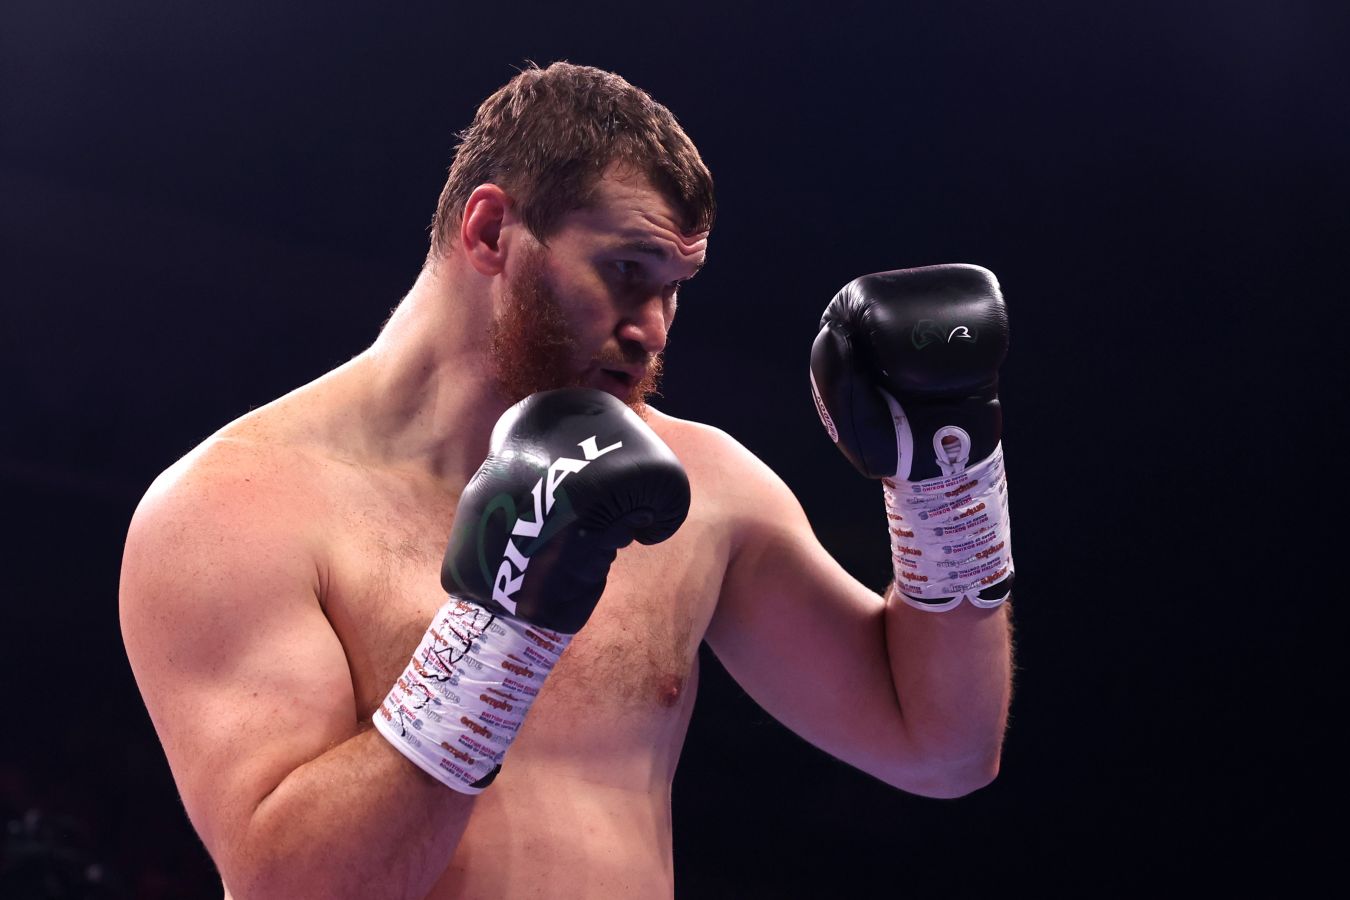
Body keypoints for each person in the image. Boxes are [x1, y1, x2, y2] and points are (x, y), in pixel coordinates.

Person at [119, 61, 1015, 899]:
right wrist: (500, 627)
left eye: (675, 286)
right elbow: (287, 887)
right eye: (627, 271)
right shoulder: (235, 510)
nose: (653, 329)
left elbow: (939, 749)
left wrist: (949, 487)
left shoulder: (702, 485)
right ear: (489, 232)